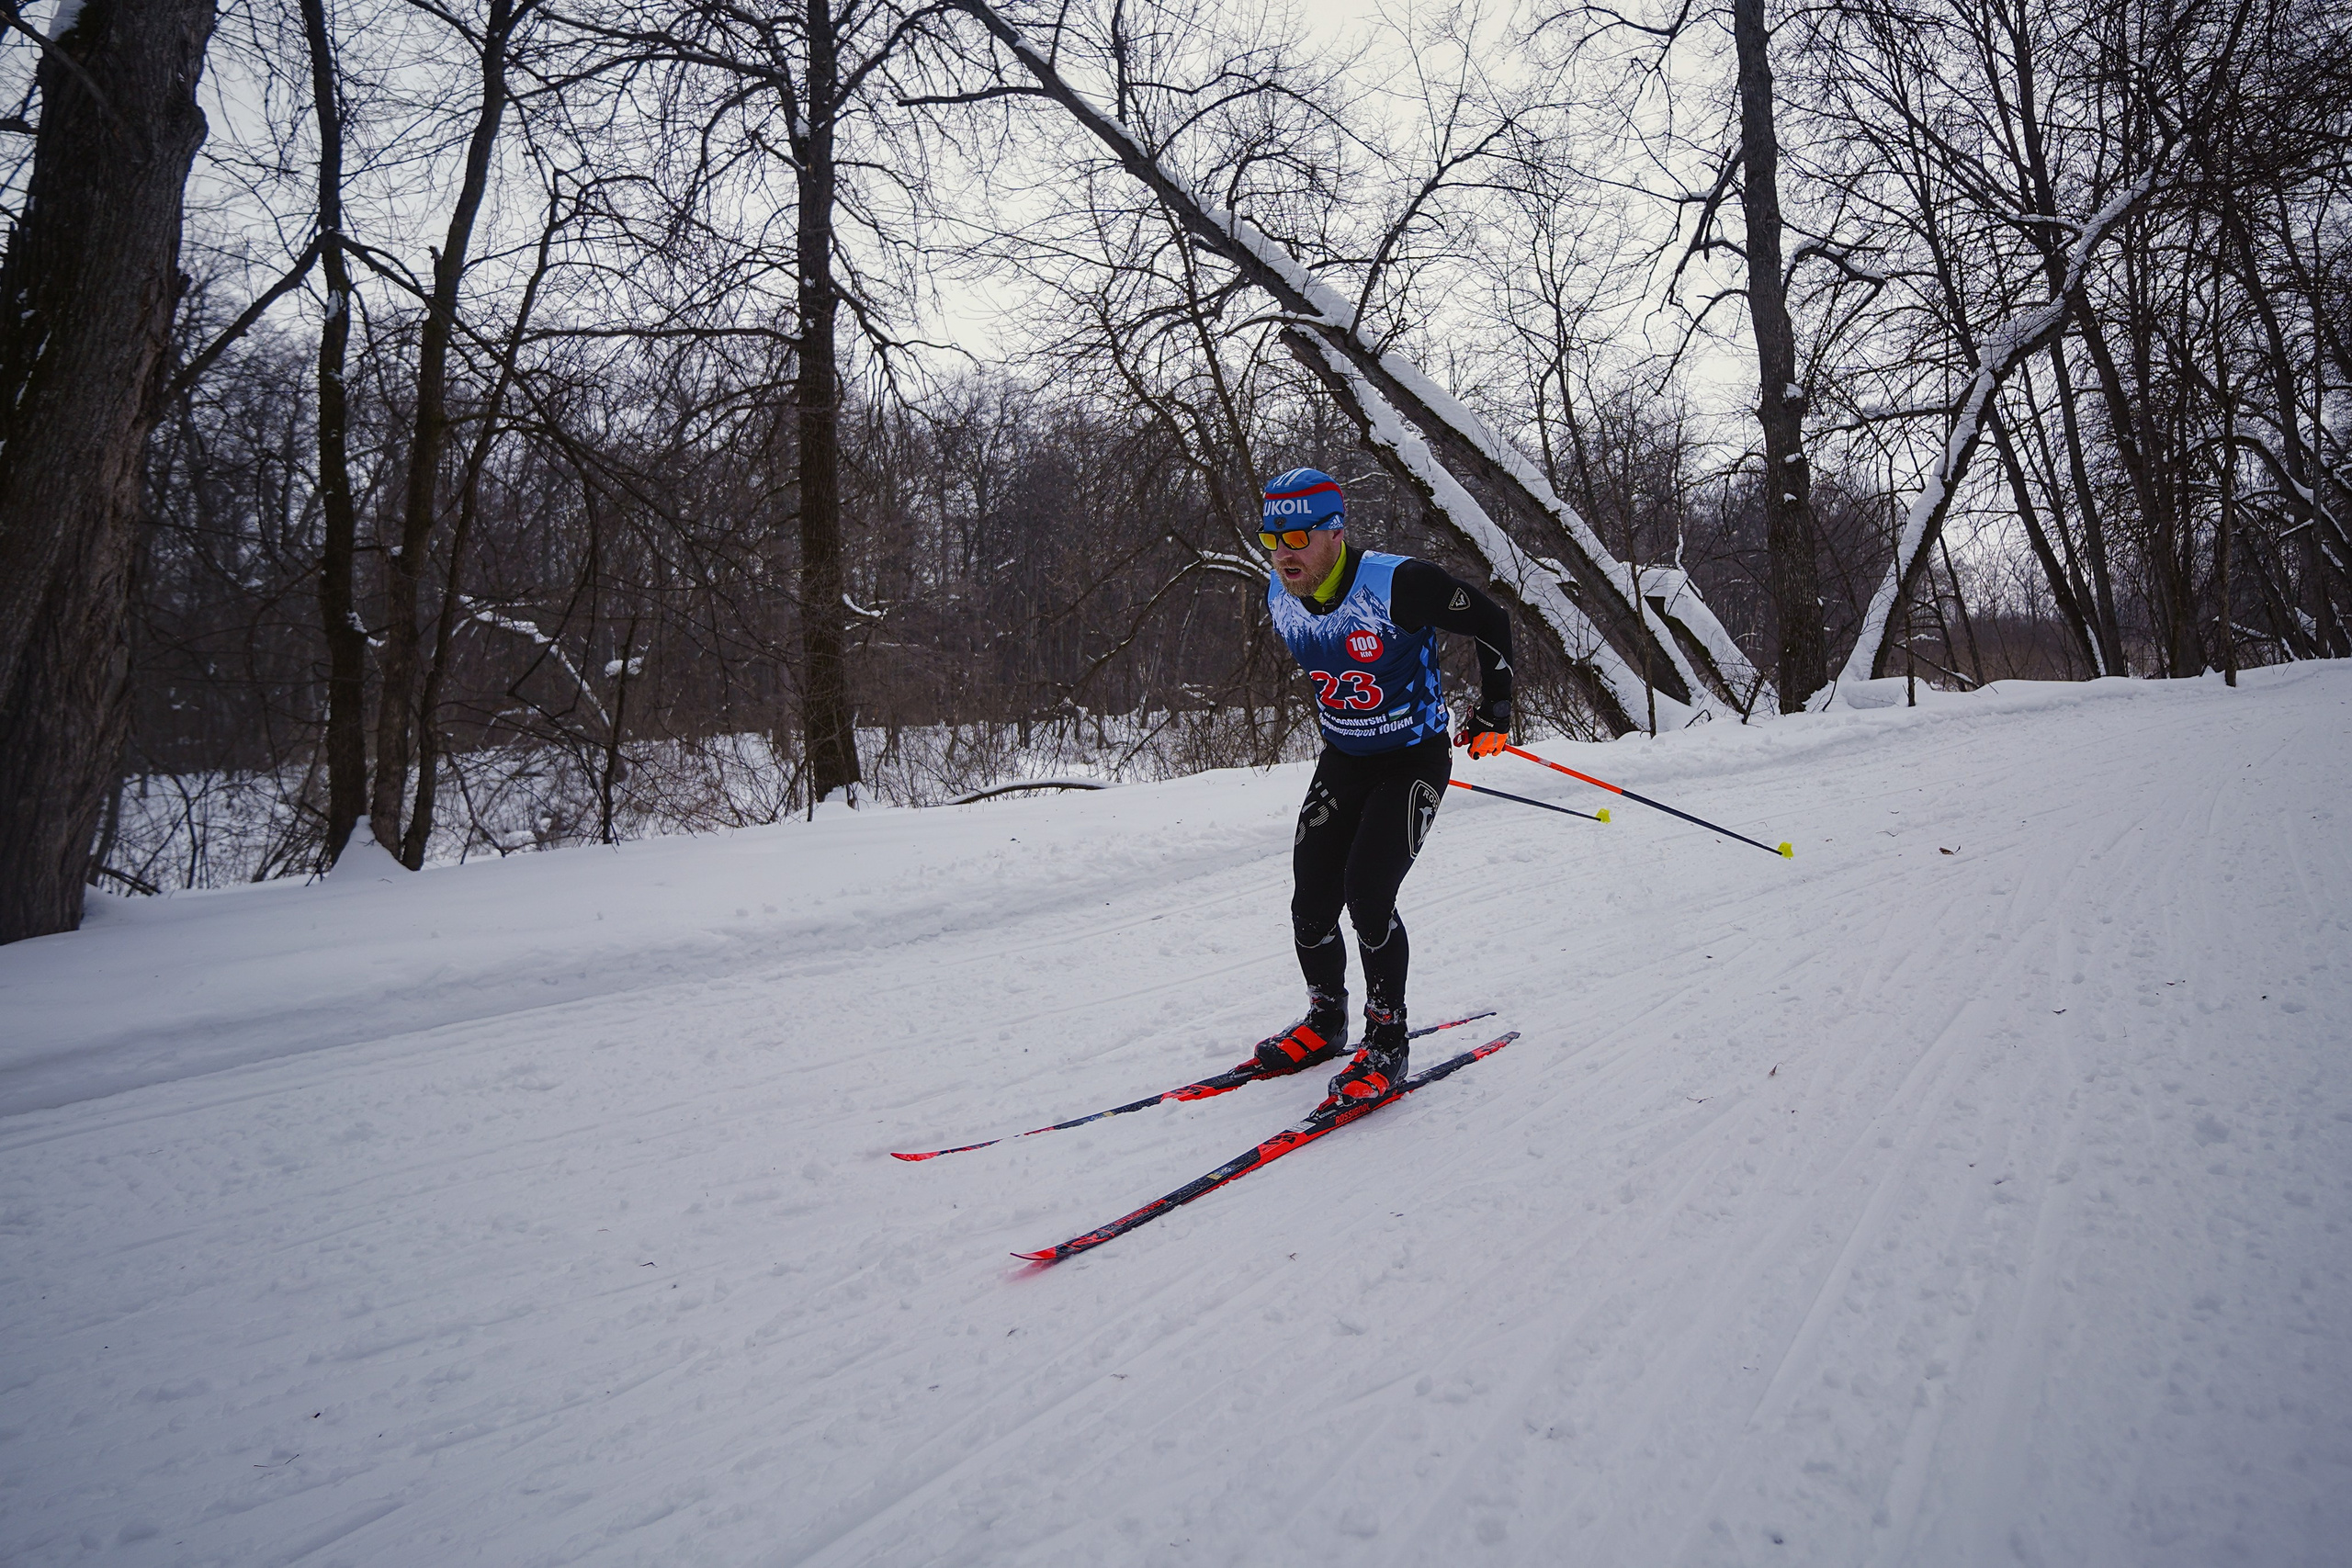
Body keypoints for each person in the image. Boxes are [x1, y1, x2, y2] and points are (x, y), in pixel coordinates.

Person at [1251, 467, 1513, 1104]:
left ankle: (1387, 1041)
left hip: (1412, 760)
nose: (1283, 551)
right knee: (1310, 896)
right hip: (1344, 756)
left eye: (1298, 535)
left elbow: (1491, 619)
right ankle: (1326, 1019)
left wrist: (1495, 712)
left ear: (1335, 532)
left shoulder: (1400, 584)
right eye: (1271, 537)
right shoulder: (1279, 594)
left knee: (1367, 894)